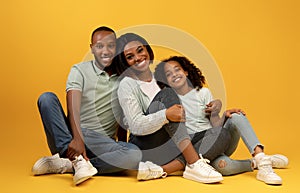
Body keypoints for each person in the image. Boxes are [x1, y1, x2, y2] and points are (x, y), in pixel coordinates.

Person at [115, 33, 234, 184]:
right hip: (146, 145)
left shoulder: (161, 77)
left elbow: (186, 105)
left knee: (221, 134)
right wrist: (165, 115)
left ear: (147, 50)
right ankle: (194, 162)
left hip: (171, 145)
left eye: (140, 50)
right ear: (124, 62)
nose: (138, 57)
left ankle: (161, 170)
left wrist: (214, 105)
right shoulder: (127, 84)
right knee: (168, 93)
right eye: (130, 56)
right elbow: (136, 125)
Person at [153, 55, 288, 185]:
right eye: (169, 74)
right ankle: (255, 163)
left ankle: (261, 160)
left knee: (236, 116)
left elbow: (215, 125)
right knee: (224, 167)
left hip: (217, 140)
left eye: (177, 70)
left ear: (186, 72)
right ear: (165, 81)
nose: (175, 74)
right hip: (196, 150)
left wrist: (220, 115)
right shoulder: (169, 100)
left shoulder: (203, 93)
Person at [32, 26, 142, 185]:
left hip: (101, 142)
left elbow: (121, 115)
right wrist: (77, 139)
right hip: (71, 137)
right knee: (47, 98)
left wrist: (121, 145)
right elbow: (73, 107)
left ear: (117, 47)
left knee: (134, 154)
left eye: (110, 46)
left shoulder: (124, 79)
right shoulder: (80, 70)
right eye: (99, 46)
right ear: (91, 48)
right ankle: (75, 156)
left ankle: (71, 164)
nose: (105, 51)